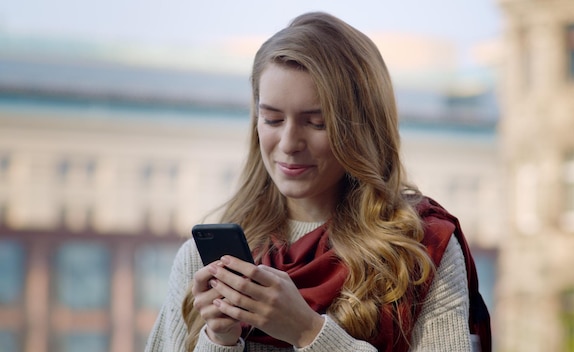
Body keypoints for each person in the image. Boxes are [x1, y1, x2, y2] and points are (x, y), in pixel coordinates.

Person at [145, 11, 485, 352]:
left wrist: (308, 332)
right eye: (273, 119)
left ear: (361, 128)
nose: (290, 143)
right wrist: (219, 340)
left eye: (317, 123)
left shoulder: (418, 250)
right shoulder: (201, 261)